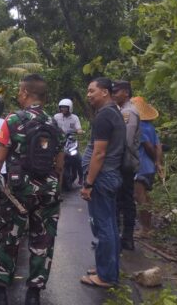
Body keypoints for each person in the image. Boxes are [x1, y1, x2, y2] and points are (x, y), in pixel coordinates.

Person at [0, 74, 64, 305]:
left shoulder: (13, 120)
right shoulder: (55, 122)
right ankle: (34, 295)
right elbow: (59, 163)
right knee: (43, 240)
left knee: (9, 236)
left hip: (19, 191)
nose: (18, 94)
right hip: (49, 191)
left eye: (19, 91)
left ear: (26, 93)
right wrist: (56, 189)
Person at [79, 77, 125, 288]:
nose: (88, 95)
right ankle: (107, 268)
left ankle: (106, 276)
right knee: (110, 226)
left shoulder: (105, 115)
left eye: (92, 91)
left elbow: (99, 153)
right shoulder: (113, 111)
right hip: (111, 175)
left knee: (104, 226)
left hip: (103, 177)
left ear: (105, 92)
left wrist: (88, 183)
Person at [111, 80, 141, 251]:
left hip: (125, 162)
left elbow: (126, 141)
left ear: (126, 93)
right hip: (123, 162)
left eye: (117, 91)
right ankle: (120, 236)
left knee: (125, 200)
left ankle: (127, 237)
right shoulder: (121, 110)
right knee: (120, 200)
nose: (114, 94)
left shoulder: (128, 112)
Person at [131, 96, 163, 238]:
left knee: (140, 197)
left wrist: (152, 158)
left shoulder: (139, 127)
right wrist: (158, 162)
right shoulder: (150, 127)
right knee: (146, 197)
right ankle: (148, 226)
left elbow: (149, 147)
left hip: (141, 167)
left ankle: (145, 229)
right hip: (149, 167)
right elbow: (158, 146)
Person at [54, 98, 84, 186]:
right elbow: (52, 125)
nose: (63, 109)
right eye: (61, 107)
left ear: (70, 108)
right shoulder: (56, 116)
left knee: (78, 158)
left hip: (71, 140)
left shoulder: (75, 118)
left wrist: (79, 131)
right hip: (59, 140)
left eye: (65, 107)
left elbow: (79, 128)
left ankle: (81, 177)